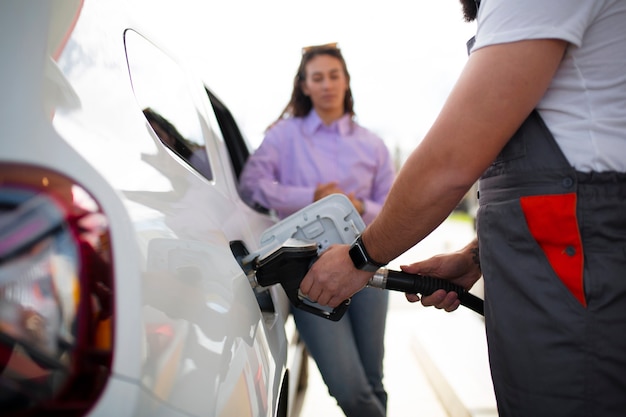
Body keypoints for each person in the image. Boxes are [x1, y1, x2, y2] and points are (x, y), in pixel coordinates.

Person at [300, 1, 626, 416]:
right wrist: (476, 256)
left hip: (574, 277)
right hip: (556, 271)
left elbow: (449, 164)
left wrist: (359, 258)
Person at [239, 43, 395, 416]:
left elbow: (392, 206)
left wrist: (359, 206)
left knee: (373, 380)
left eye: (333, 75)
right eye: (317, 77)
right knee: (351, 389)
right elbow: (252, 185)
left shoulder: (372, 144)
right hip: (308, 275)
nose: (327, 84)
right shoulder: (283, 136)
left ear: (346, 81)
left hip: (367, 266)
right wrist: (309, 195)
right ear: (305, 85)